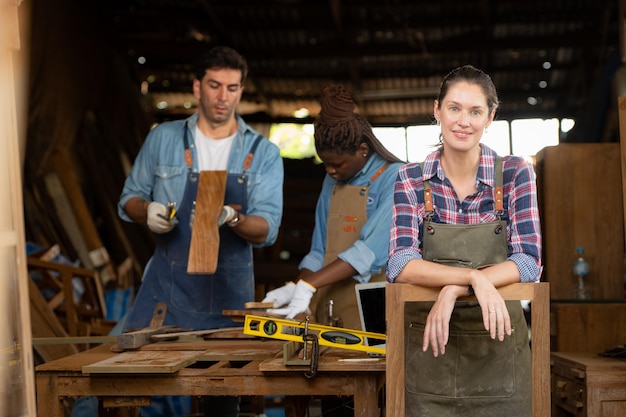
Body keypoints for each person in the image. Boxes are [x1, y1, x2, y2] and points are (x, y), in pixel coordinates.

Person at [117, 46, 283, 417]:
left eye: (233, 87)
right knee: (114, 383)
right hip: (166, 292)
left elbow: (267, 229)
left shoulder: (263, 153)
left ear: (241, 90)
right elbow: (128, 199)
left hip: (228, 300)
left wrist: (232, 218)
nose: (224, 97)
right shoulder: (163, 139)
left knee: (220, 403)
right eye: (214, 85)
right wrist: (148, 211)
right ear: (197, 87)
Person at [386, 65, 542, 417]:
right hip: (429, 353)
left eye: (475, 111)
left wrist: (454, 289)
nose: (463, 121)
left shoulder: (516, 173)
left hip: (499, 356)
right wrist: (473, 278)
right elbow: (399, 264)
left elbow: (529, 262)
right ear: (437, 110)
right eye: (454, 108)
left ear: (490, 117)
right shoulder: (410, 179)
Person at [263, 85, 404, 416]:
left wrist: (311, 285)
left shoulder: (396, 179)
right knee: (334, 402)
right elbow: (319, 250)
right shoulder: (333, 180)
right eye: (325, 164)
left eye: (337, 164)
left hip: (376, 313)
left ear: (363, 149)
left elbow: (369, 253)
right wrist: (296, 287)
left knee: (375, 399)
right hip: (333, 312)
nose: (330, 172)